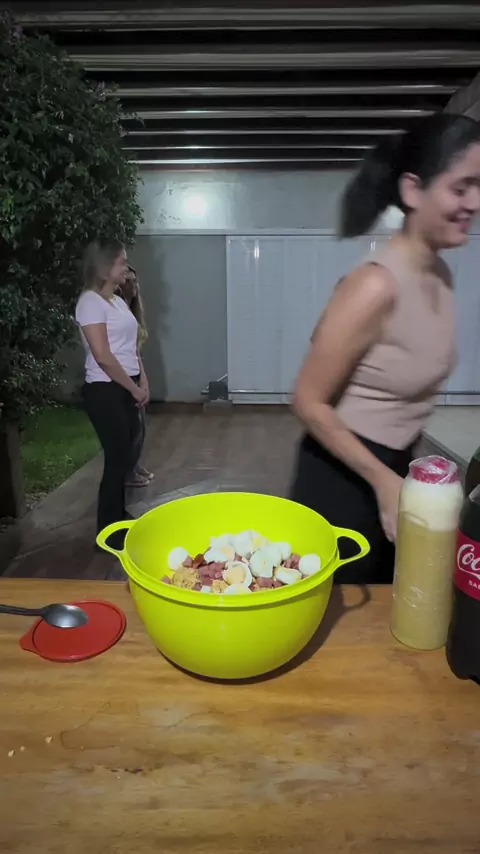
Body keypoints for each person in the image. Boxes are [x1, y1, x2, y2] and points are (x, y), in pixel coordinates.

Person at [290, 113, 480, 585]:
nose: (474, 203)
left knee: (395, 606)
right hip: (343, 476)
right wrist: (383, 481)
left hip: (396, 468)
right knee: (345, 617)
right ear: (414, 190)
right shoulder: (375, 285)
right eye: (461, 188)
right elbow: (307, 400)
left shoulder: (440, 275)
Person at [75, 240, 150, 549]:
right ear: (105, 268)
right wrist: (133, 388)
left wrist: (143, 381)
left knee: (128, 455)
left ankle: (118, 515)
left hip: (128, 385)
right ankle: (106, 530)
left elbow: (132, 347)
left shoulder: (117, 301)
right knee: (117, 459)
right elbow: (103, 356)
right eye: (122, 262)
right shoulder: (89, 302)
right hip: (105, 390)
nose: (127, 268)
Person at [118, 265, 154, 487]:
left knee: (140, 424)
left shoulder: (134, 311)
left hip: (135, 368)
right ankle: (127, 471)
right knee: (132, 426)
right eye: (128, 281)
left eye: (135, 281)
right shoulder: (117, 310)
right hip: (123, 373)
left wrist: (143, 377)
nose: (133, 286)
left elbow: (136, 350)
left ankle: (134, 464)